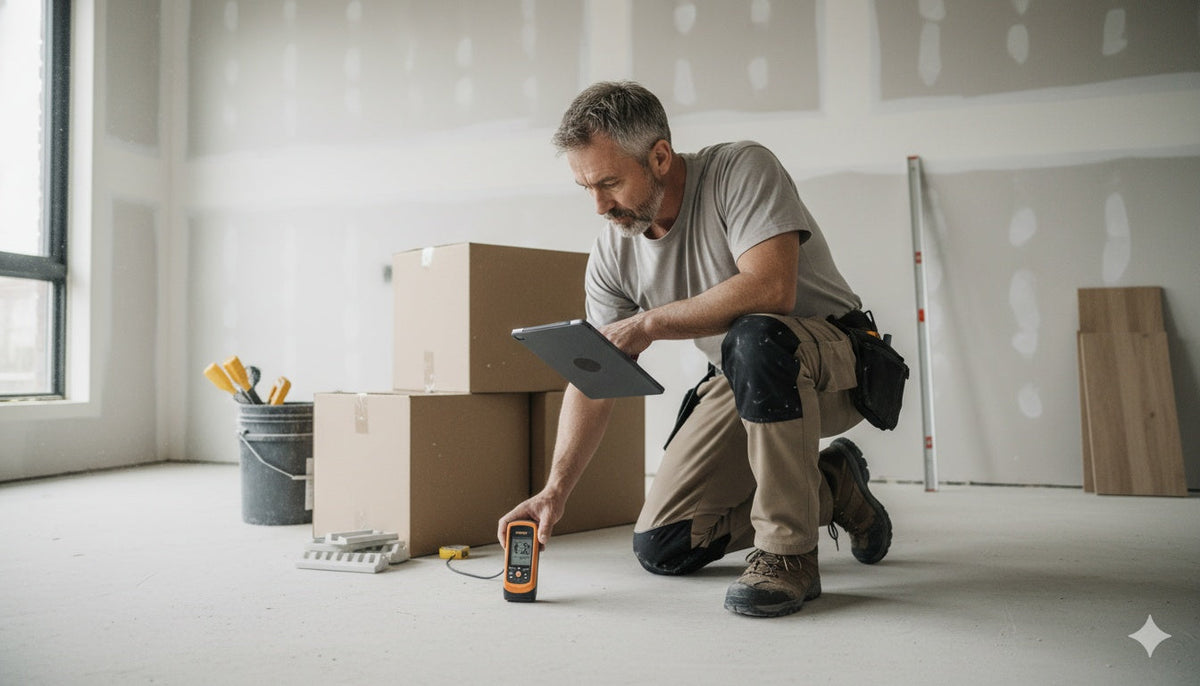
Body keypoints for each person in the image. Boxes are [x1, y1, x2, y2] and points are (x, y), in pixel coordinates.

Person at [498, 81, 893, 618]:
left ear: (659, 156)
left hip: (834, 364)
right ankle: (834, 484)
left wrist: (649, 324)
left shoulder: (741, 170)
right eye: (585, 187)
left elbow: (770, 288)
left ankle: (788, 554)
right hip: (747, 377)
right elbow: (596, 375)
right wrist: (555, 490)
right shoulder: (615, 250)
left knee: (757, 334)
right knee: (667, 542)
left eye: (609, 182)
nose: (598, 205)